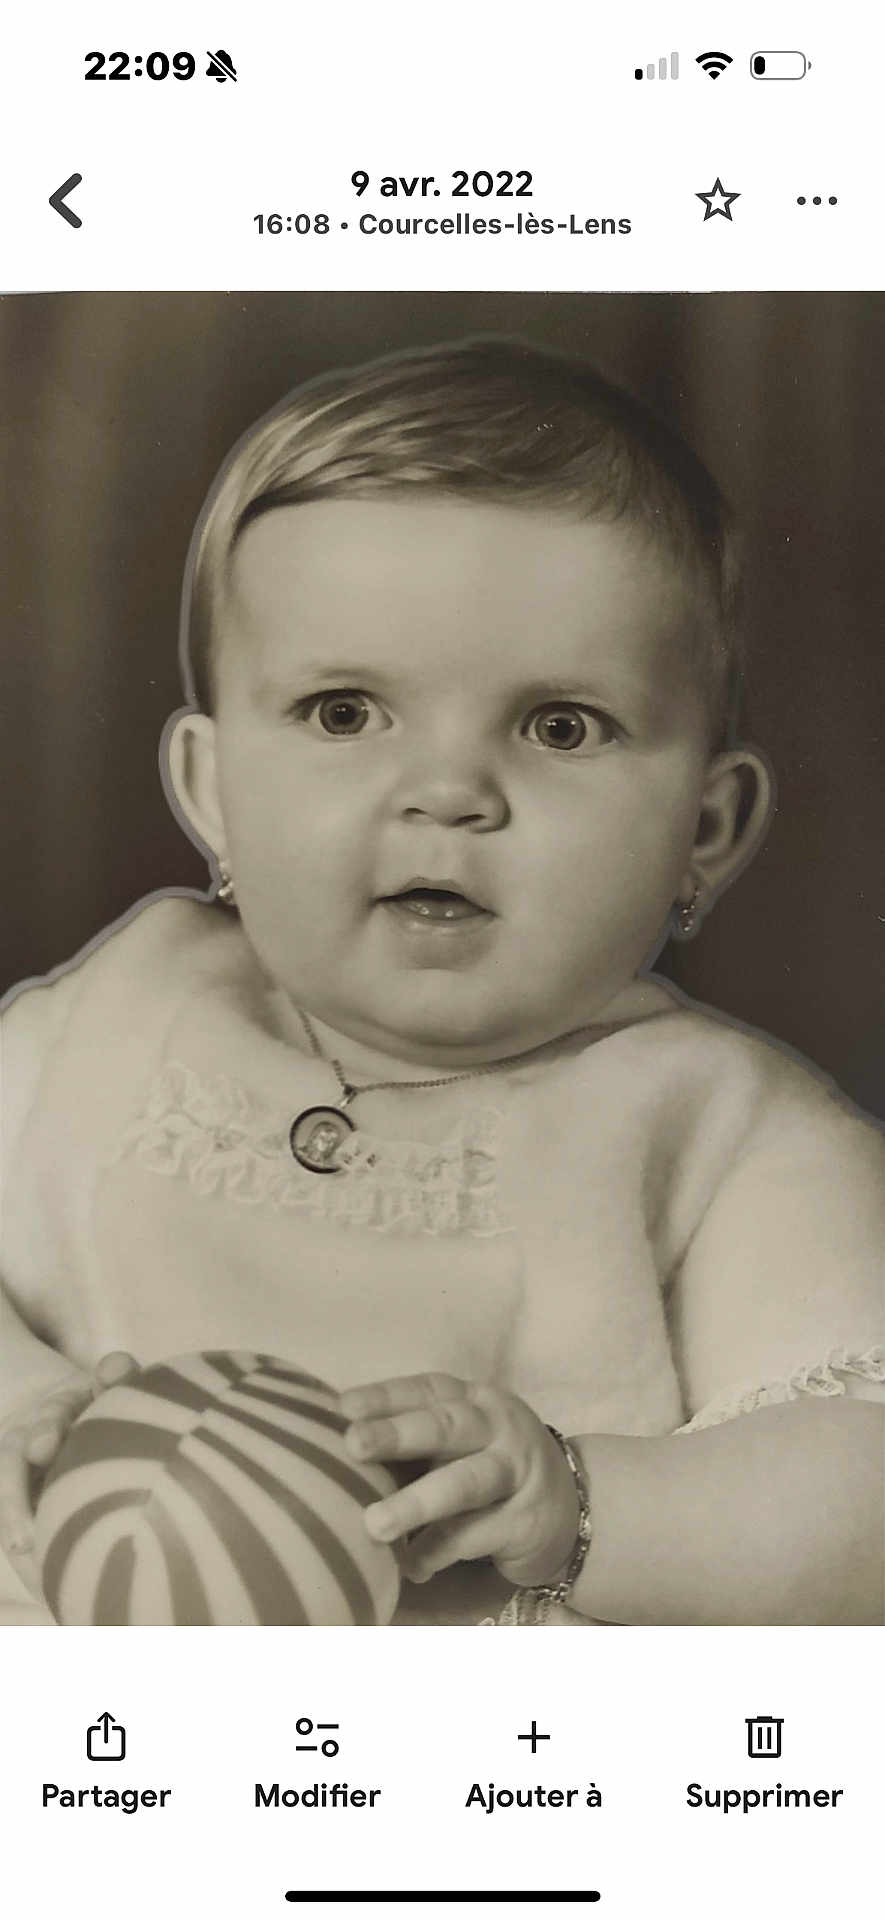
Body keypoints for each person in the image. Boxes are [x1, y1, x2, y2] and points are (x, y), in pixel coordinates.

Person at [1, 337, 882, 1628]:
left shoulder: (726, 1134)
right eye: (346, 713)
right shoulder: (103, 1017)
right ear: (210, 788)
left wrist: (578, 1503)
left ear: (703, 829)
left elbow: (861, 1488)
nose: (449, 792)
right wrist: (21, 1402)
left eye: (559, 726)